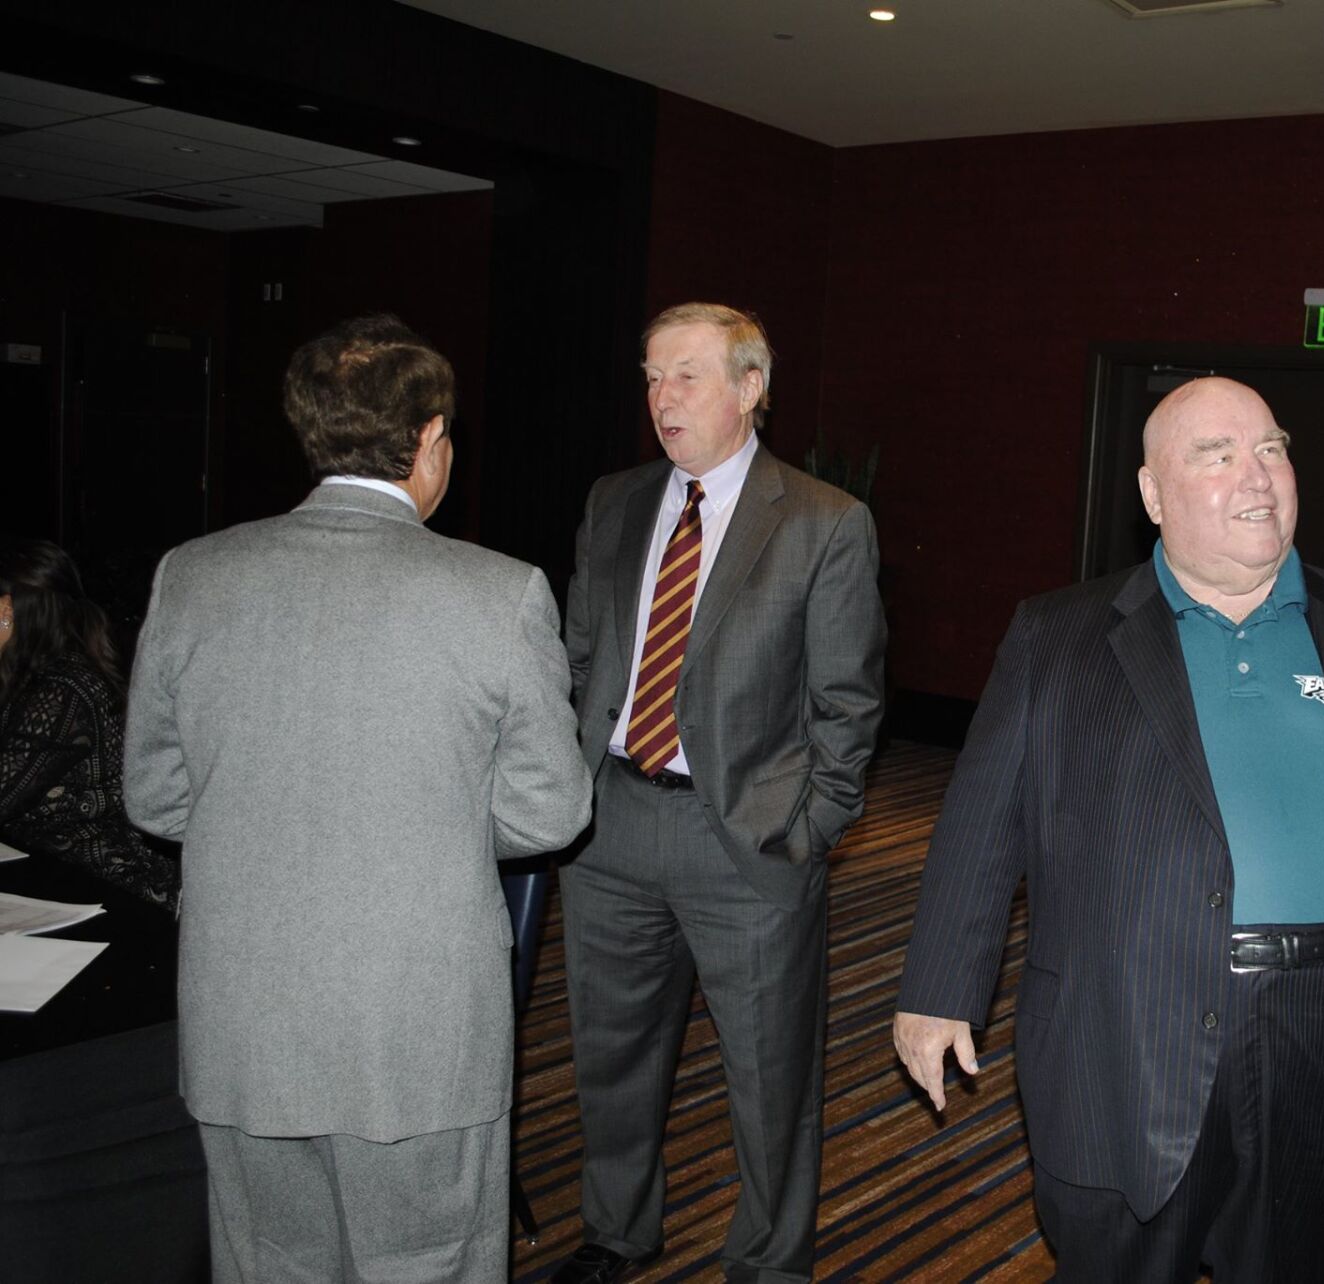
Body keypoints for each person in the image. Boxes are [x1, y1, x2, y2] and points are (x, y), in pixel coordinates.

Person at [122, 314, 593, 1283]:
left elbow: (157, 798)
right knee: (428, 1264)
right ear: (429, 438)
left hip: (243, 1016)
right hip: (415, 1028)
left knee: (269, 1264)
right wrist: (430, 824)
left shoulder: (192, 575)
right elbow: (552, 813)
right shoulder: (499, 593)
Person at [895, 377, 1324, 1283]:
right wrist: (938, 989)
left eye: (1271, 449)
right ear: (1153, 494)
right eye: (1217, 455)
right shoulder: (1059, 634)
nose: (1257, 475)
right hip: (1127, 1026)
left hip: (1321, 1029)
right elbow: (982, 821)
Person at [555, 302, 886, 1284]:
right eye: (653, 377)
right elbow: (581, 658)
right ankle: (616, 1233)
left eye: (687, 375)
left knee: (769, 1077)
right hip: (610, 829)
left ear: (750, 388)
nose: (664, 397)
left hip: (747, 840)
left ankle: (769, 1263)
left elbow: (848, 705)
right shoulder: (614, 501)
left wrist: (811, 829)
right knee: (610, 1058)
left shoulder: (824, 521)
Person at [0, 538, 179, 911]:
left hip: (103, 888)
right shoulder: (40, 676)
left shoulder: (63, 689)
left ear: (7, 611)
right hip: (55, 878)